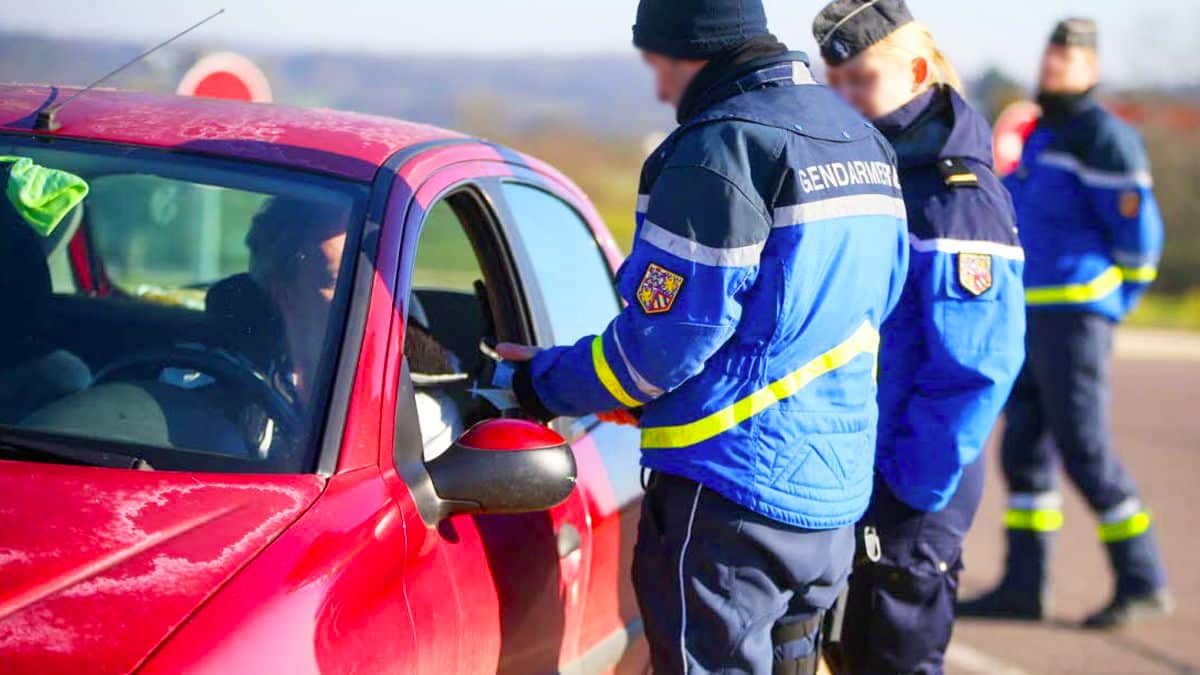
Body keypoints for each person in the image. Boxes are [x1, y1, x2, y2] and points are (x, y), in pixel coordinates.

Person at [495, 0, 910, 671]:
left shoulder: (721, 149)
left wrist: (536, 381)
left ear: (695, 50)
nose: (660, 89)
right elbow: (882, 297)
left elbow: (659, 349)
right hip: (830, 499)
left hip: (729, 500)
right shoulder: (861, 138)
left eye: (659, 65)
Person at [811, 2, 1026, 672]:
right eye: (835, 80)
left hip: (910, 488)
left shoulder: (954, 196)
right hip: (863, 472)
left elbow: (977, 367)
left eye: (861, 79)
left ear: (916, 70)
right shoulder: (879, 171)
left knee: (892, 658)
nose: (845, 96)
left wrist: (906, 487)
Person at [958, 18, 1172, 629]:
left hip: (1077, 317)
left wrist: (1118, 298)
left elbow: (1140, 235)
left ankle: (1143, 577)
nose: (1056, 65)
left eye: (1071, 57)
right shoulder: (1043, 134)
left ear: (1092, 69)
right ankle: (1025, 586)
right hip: (1028, 315)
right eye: (1053, 54)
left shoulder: (1104, 137)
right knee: (1023, 450)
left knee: (1085, 449)